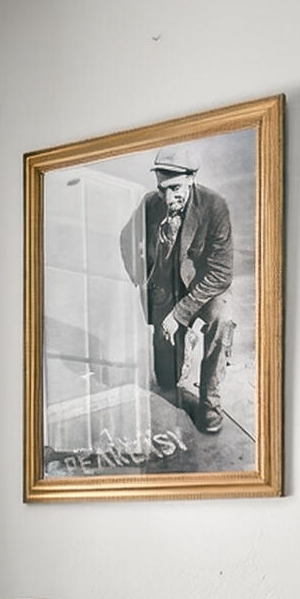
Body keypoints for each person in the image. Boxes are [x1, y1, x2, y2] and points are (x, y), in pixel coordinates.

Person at [118, 150, 234, 435]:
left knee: (223, 317)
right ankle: (179, 352)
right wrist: (141, 279)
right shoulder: (150, 204)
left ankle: (210, 402)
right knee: (167, 381)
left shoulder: (215, 206)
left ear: (192, 179)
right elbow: (126, 239)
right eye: (162, 189)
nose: (168, 199)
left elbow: (221, 273)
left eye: (175, 189)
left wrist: (181, 315)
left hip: (204, 290)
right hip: (166, 291)